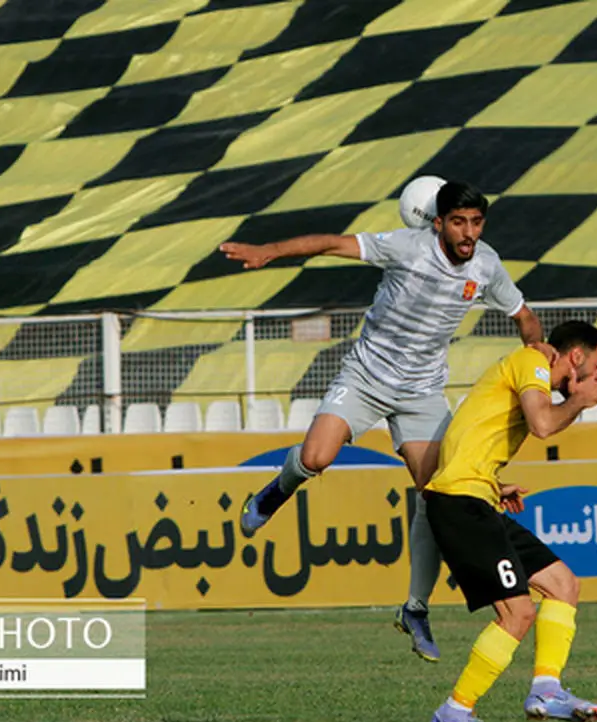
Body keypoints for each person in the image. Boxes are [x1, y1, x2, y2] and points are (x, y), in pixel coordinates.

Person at [219, 182, 548, 661]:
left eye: (476, 223)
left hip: (422, 392)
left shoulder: (487, 266)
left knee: (438, 494)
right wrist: (268, 251)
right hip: (367, 375)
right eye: (459, 222)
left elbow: (524, 316)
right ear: (437, 222)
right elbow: (331, 243)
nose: (469, 232)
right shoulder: (406, 248)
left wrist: (539, 362)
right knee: (316, 457)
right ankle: (275, 491)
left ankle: (415, 607)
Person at [423, 320, 597, 722]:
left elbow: (476, 436)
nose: (594, 378)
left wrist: (494, 483)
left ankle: (546, 689)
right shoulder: (531, 360)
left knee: (563, 584)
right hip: (458, 501)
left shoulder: (533, 369)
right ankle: (455, 712)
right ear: (576, 356)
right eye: (595, 366)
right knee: (518, 613)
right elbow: (543, 424)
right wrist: (581, 402)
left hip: (478, 496)